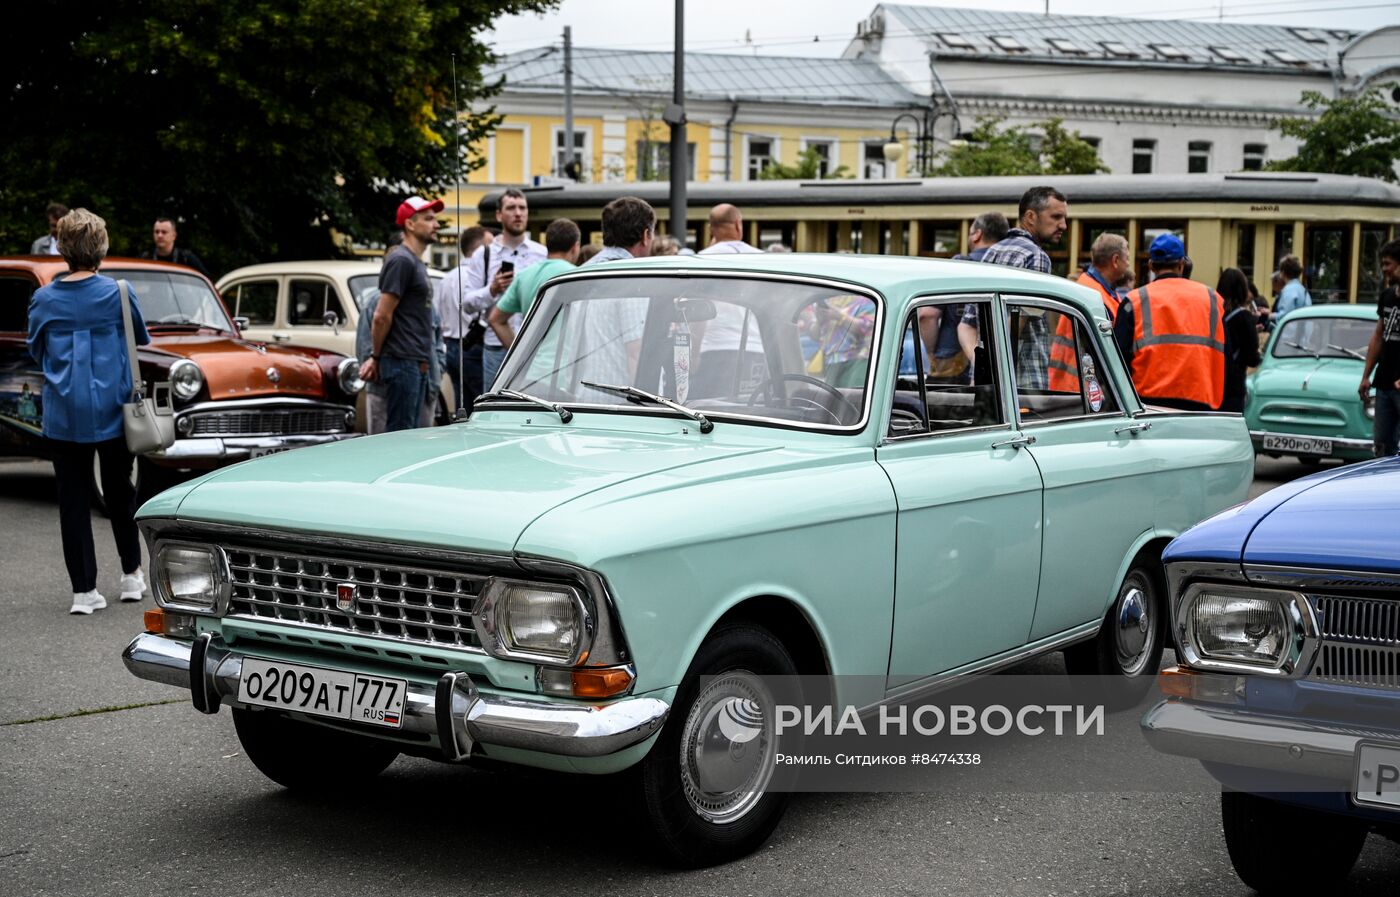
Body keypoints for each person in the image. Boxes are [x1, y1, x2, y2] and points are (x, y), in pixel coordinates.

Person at [26, 209, 149, 615]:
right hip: (114, 410)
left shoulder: (43, 298)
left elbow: (36, 350)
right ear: (101, 247)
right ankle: (131, 575)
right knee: (119, 493)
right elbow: (139, 338)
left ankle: (84, 591)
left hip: (64, 413)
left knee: (73, 501)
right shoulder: (119, 291)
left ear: (62, 248)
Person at [959, 188, 1069, 388]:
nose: (1064, 225)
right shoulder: (1037, 256)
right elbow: (1017, 325)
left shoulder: (990, 253)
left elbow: (966, 325)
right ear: (1030, 216)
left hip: (986, 383)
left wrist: (982, 363)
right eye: (1056, 217)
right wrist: (997, 361)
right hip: (1023, 381)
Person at [1114, 233, 1225, 411]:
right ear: (1182, 264)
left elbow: (1118, 360)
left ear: (1151, 266)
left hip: (1148, 405)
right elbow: (1229, 357)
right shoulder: (1213, 299)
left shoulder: (1133, 301)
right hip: (1202, 402)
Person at [452, 189, 547, 392]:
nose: (518, 213)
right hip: (495, 346)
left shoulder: (540, 253)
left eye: (522, 208)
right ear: (499, 215)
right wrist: (492, 289)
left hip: (531, 346)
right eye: (511, 208)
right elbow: (467, 304)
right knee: (494, 407)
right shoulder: (483, 255)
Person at [360, 195, 440, 432]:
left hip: (414, 364)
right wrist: (375, 357)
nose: (436, 224)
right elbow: (381, 315)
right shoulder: (401, 261)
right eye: (429, 219)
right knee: (401, 436)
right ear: (410, 224)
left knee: (409, 436)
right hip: (402, 363)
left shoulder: (414, 262)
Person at [920, 212, 1009, 383]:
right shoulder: (1005, 267)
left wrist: (932, 354)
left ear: (977, 234)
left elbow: (927, 315)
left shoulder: (959, 265)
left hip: (951, 364)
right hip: (994, 366)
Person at [691, 204, 765, 398]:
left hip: (715, 349)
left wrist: (694, 355)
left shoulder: (701, 260)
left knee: (712, 408)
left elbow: (697, 314)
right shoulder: (762, 259)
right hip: (757, 350)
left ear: (711, 229)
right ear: (739, 225)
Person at [1048, 233, 1131, 392]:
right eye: (1126, 258)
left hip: (1071, 385)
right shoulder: (1094, 297)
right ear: (1115, 260)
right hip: (1082, 390)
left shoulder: (1091, 288)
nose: (1128, 264)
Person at [488, 218, 581, 349]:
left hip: (532, 364)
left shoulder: (524, 275)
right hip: (567, 363)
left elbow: (495, 319)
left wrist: (518, 354)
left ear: (547, 244)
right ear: (575, 247)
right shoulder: (578, 277)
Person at [434, 225, 494, 414]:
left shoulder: (447, 278)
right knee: (483, 405)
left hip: (451, 346)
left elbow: (437, 315)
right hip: (474, 347)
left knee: (462, 406)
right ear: (479, 249)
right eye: (491, 246)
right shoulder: (477, 279)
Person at [1359, 239, 1400, 456]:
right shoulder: (1387, 296)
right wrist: (1366, 375)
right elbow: (1378, 336)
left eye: (1388, 264)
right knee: (1382, 447)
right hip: (1384, 383)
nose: (1384, 269)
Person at [1217, 267, 1262, 413]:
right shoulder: (1244, 318)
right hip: (1233, 386)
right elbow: (1251, 358)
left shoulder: (1214, 312)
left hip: (1213, 384)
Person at [144, 217, 211, 279]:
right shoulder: (145, 258)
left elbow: (206, 280)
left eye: (164, 232)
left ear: (174, 236)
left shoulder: (187, 258)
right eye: (156, 232)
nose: (159, 235)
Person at [1274, 255, 1311, 322]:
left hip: (1290, 331)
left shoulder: (1288, 290)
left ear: (1283, 272)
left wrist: (1271, 315)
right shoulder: (1303, 290)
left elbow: (1284, 317)